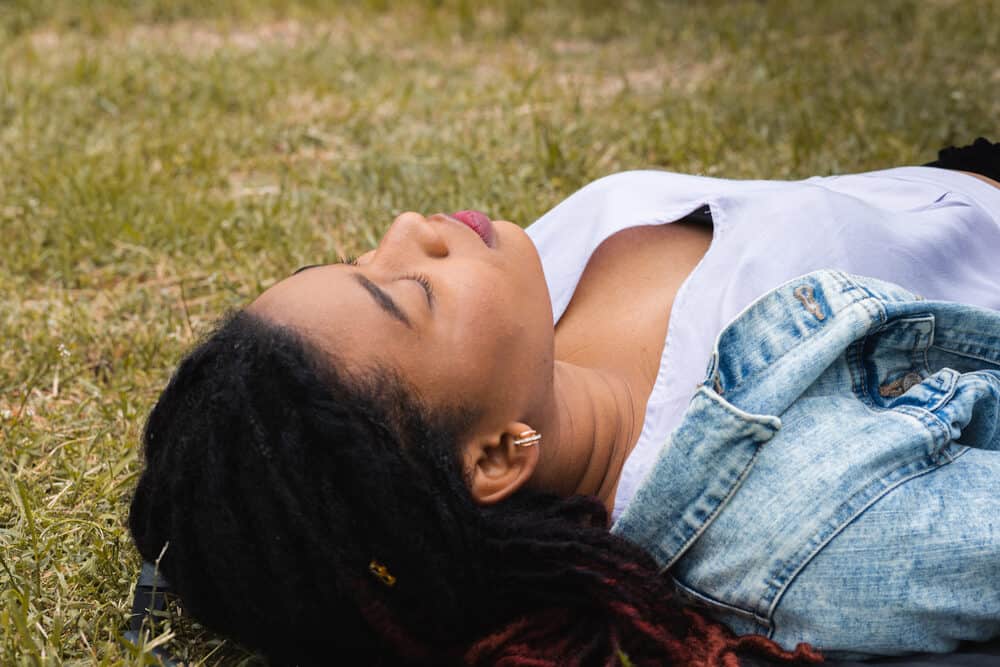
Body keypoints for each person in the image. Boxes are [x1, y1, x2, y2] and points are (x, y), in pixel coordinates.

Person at [129, 139, 1000, 666]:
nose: (409, 228)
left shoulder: (521, 317)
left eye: (360, 260)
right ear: (499, 455)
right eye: (410, 293)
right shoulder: (801, 524)